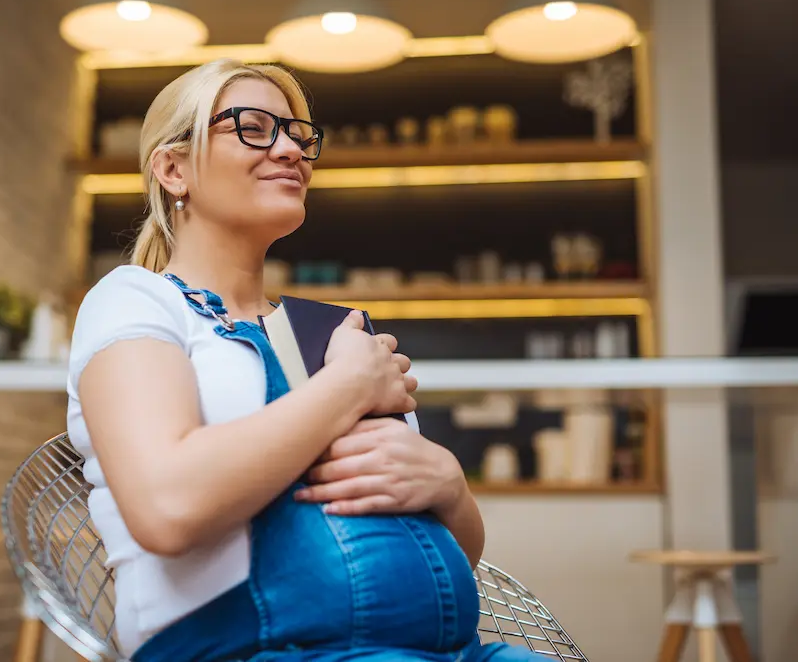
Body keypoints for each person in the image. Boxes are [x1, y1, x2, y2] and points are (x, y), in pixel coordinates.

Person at [67, 58, 548, 662]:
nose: (291, 150)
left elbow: (447, 551)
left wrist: (449, 486)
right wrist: (350, 385)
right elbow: (168, 507)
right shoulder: (136, 300)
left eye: (299, 135)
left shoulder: (326, 333)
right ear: (174, 169)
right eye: (253, 128)